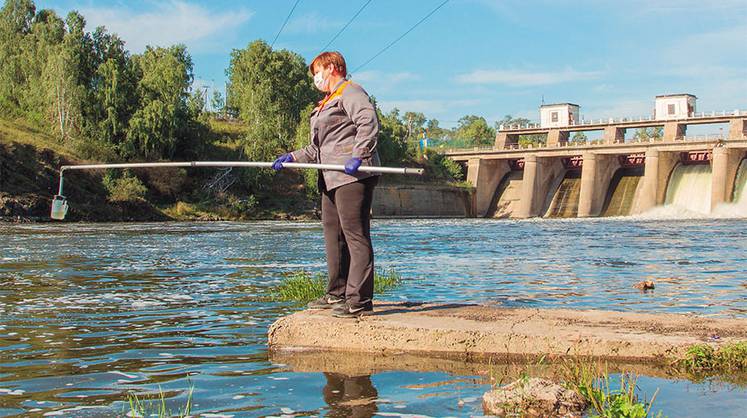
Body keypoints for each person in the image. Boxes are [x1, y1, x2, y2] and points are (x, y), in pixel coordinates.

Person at [272, 51, 381, 318]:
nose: (315, 78)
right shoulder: (325, 103)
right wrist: (291, 158)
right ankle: (337, 293)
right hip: (330, 176)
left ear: (332, 67)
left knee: (355, 234)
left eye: (317, 72)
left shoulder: (351, 92)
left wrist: (359, 155)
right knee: (334, 236)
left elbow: (368, 122)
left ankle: (359, 300)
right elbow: (316, 148)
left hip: (353, 176)